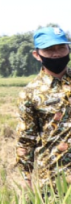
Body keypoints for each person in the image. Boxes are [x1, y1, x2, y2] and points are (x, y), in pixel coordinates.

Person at [16, 26, 71, 193]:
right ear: (37, 55)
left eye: (61, 48)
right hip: (53, 179)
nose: (56, 54)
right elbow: (26, 139)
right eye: (49, 50)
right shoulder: (30, 93)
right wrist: (26, 178)